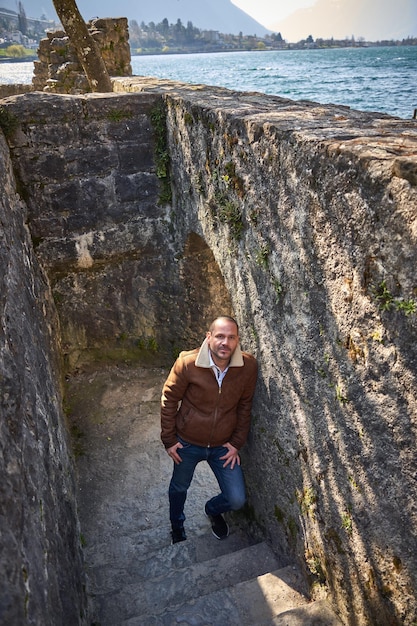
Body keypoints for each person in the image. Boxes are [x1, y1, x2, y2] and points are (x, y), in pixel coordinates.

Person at [160, 316, 258, 544]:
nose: (225, 342)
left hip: (222, 446)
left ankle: (213, 509)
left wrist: (236, 443)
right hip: (187, 443)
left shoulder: (248, 366)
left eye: (231, 337)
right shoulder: (188, 363)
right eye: (220, 336)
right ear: (209, 337)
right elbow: (169, 399)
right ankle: (177, 526)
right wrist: (169, 439)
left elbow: (245, 406)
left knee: (236, 499)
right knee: (178, 488)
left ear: (237, 340)